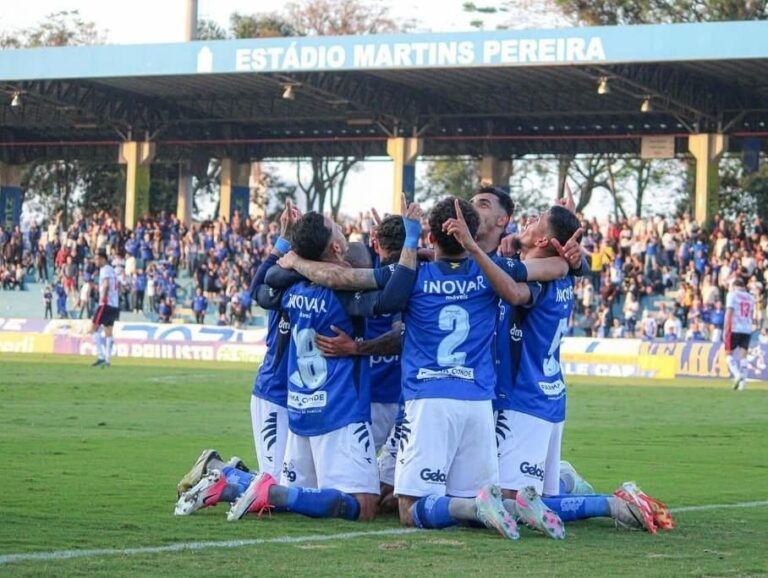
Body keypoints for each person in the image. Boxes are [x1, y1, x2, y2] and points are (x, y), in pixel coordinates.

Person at [90, 248, 120, 368]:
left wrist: (104, 298)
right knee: (108, 331)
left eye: (97, 259)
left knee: (93, 328)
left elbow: (107, 285)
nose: (95, 261)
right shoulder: (112, 270)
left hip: (106, 304)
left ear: (103, 259)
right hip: (114, 304)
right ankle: (107, 359)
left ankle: (101, 356)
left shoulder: (105, 270)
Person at [724, 278, 755, 390]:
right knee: (743, 356)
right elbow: (751, 314)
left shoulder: (732, 295)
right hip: (747, 329)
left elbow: (729, 312)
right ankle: (743, 385)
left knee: (728, 354)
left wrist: (726, 328)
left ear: (734, 286)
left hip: (734, 328)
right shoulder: (751, 297)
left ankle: (737, 375)